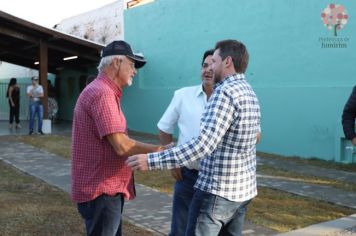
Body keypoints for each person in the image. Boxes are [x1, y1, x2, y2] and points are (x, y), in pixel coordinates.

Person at [127, 39, 261, 236]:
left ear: (227, 62)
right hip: (242, 191)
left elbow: (203, 145)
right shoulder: (248, 91)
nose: (210, 67)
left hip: (217, 191)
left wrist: (152, 160)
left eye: (214, 61)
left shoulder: (223, 92)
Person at [71, 40, 167, 236]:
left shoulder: (104, 92)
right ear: (116, 62)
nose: (135, 71)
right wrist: (160, 151)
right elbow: (122, 146)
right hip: (102, 191)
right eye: (131, 65)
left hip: (103, 191)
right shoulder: (102, 93)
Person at [157, 49, 214, 236]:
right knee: (180, 230)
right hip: (188, 176)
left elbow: (255, 134)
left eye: (213, 65)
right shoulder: (183, 95)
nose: (208, 70)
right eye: (205, 65)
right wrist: (172, 161)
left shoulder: (231, 98)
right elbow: (164, 128)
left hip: (218, 181)